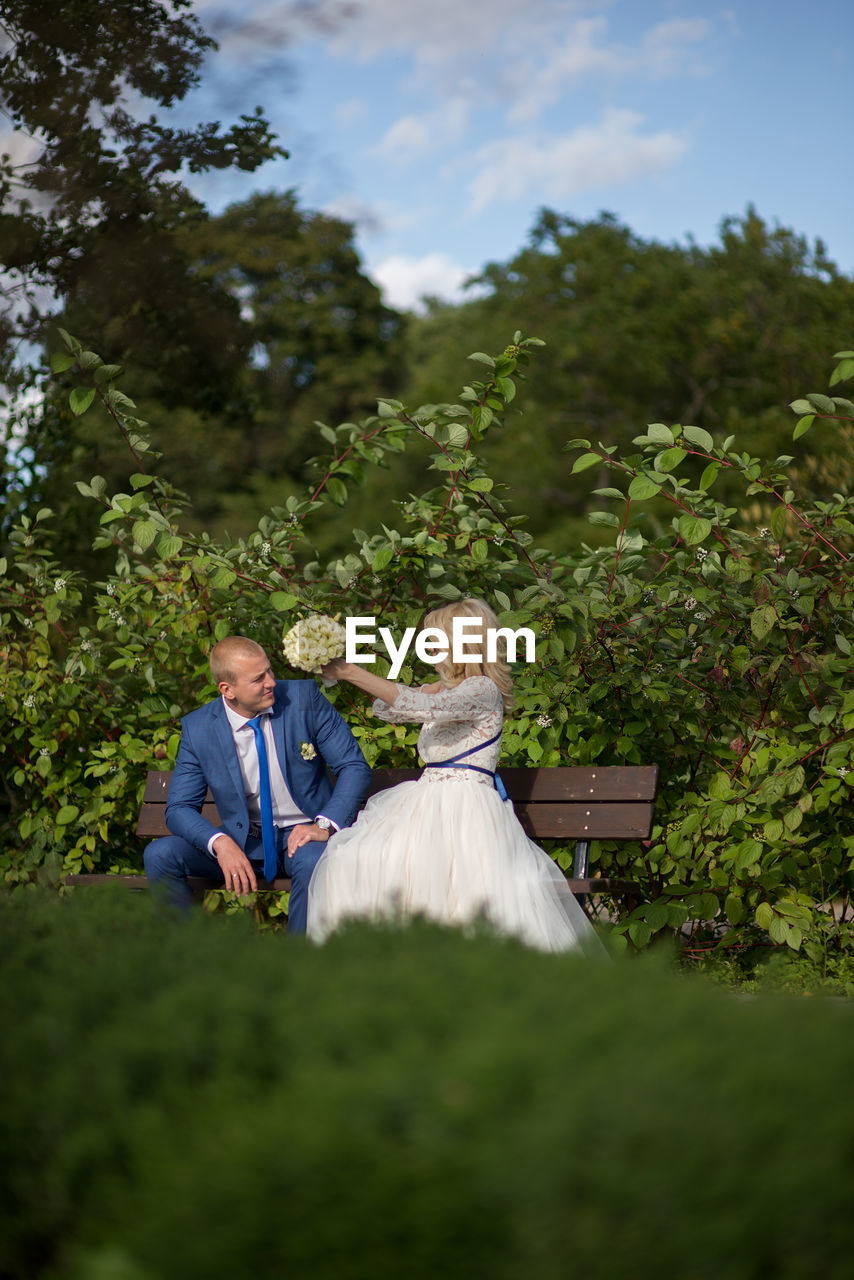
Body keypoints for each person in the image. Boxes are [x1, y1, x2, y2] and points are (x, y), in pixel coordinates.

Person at [307, 598, 600, 954]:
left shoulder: (481, 689)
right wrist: (429, 689)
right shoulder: (450, 690)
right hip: (425, 803)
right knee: (353, 861)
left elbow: (416, 707)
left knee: (452, 897)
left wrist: (352, 672)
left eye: (435, 639)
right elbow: (386, 710)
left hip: (464, 809)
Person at [144, 635, 371, 931]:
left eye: (269, 671)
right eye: (258, 678)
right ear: (227, 690)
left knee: (314, 862)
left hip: (303, 837)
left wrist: (323, 826)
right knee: (160, 854)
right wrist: (220, 843)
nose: (271, 682)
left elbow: (354, 766)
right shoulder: (199, 728)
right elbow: (178, 809)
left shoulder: (303, 699)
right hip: (243, 840)